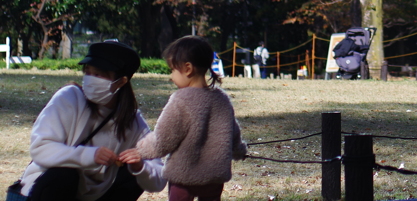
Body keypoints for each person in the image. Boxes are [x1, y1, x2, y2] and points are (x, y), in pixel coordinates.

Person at [14, 40, 166, 201]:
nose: (90, 79)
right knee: (65, 174)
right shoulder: (69, 98)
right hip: (46, 189)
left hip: (94, 195)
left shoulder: (133, 121)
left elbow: (158, 180)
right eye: (88, 72)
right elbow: (40, 148)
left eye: (99, 74)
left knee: (134, 172)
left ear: (121, 81)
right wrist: (89, 155)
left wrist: (140, 167)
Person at [122, 36, 247, 201]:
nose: (171, 76)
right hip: (214, 177)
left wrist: (140, 151)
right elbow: (233, 133)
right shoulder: (221, 99)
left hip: (184, 176)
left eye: (173, 70)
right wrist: (239, 151)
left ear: (188, 68)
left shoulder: (181, 100)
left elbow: (163, 140)